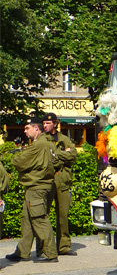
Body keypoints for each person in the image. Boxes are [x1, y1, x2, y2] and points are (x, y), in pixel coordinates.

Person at [5, 119, 58, 263]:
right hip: (38, 187)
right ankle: (22, 251)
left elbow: (18, 161)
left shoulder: (38, 145)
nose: (25, 130)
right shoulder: (46, 143)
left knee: (40, 219)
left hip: (37, 187)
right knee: (27, 221)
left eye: (27, 128)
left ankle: (50, 253)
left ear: (36, 128)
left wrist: (13, 156)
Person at [41, 113, 77, 256]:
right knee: (44, 215)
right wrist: (62, 154)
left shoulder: (64, 139)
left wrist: (56, 154)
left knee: (63, 215)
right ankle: (45, 248)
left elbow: (73, 155)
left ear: (55, 124)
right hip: (47, 180)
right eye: (43, 123)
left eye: (48, 123)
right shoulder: (42, 139)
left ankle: (63, 247)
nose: (45, 126)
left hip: (62, 180)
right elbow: (45, 159)